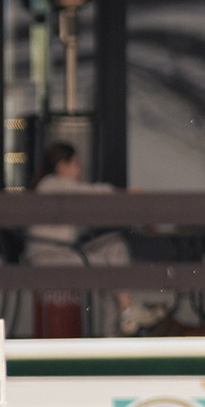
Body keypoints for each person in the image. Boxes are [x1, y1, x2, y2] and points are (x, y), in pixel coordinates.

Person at [24, 140, 157, 335]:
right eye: (76, 164)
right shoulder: (51, 184)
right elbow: (91, 195)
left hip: (62, 251)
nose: (80, 170)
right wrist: (127, 194)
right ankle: (121, 323)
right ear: (62, 166)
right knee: (110, 272)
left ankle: (126, 314)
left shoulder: (57, 188)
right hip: (50, 256)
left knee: (115, 245)